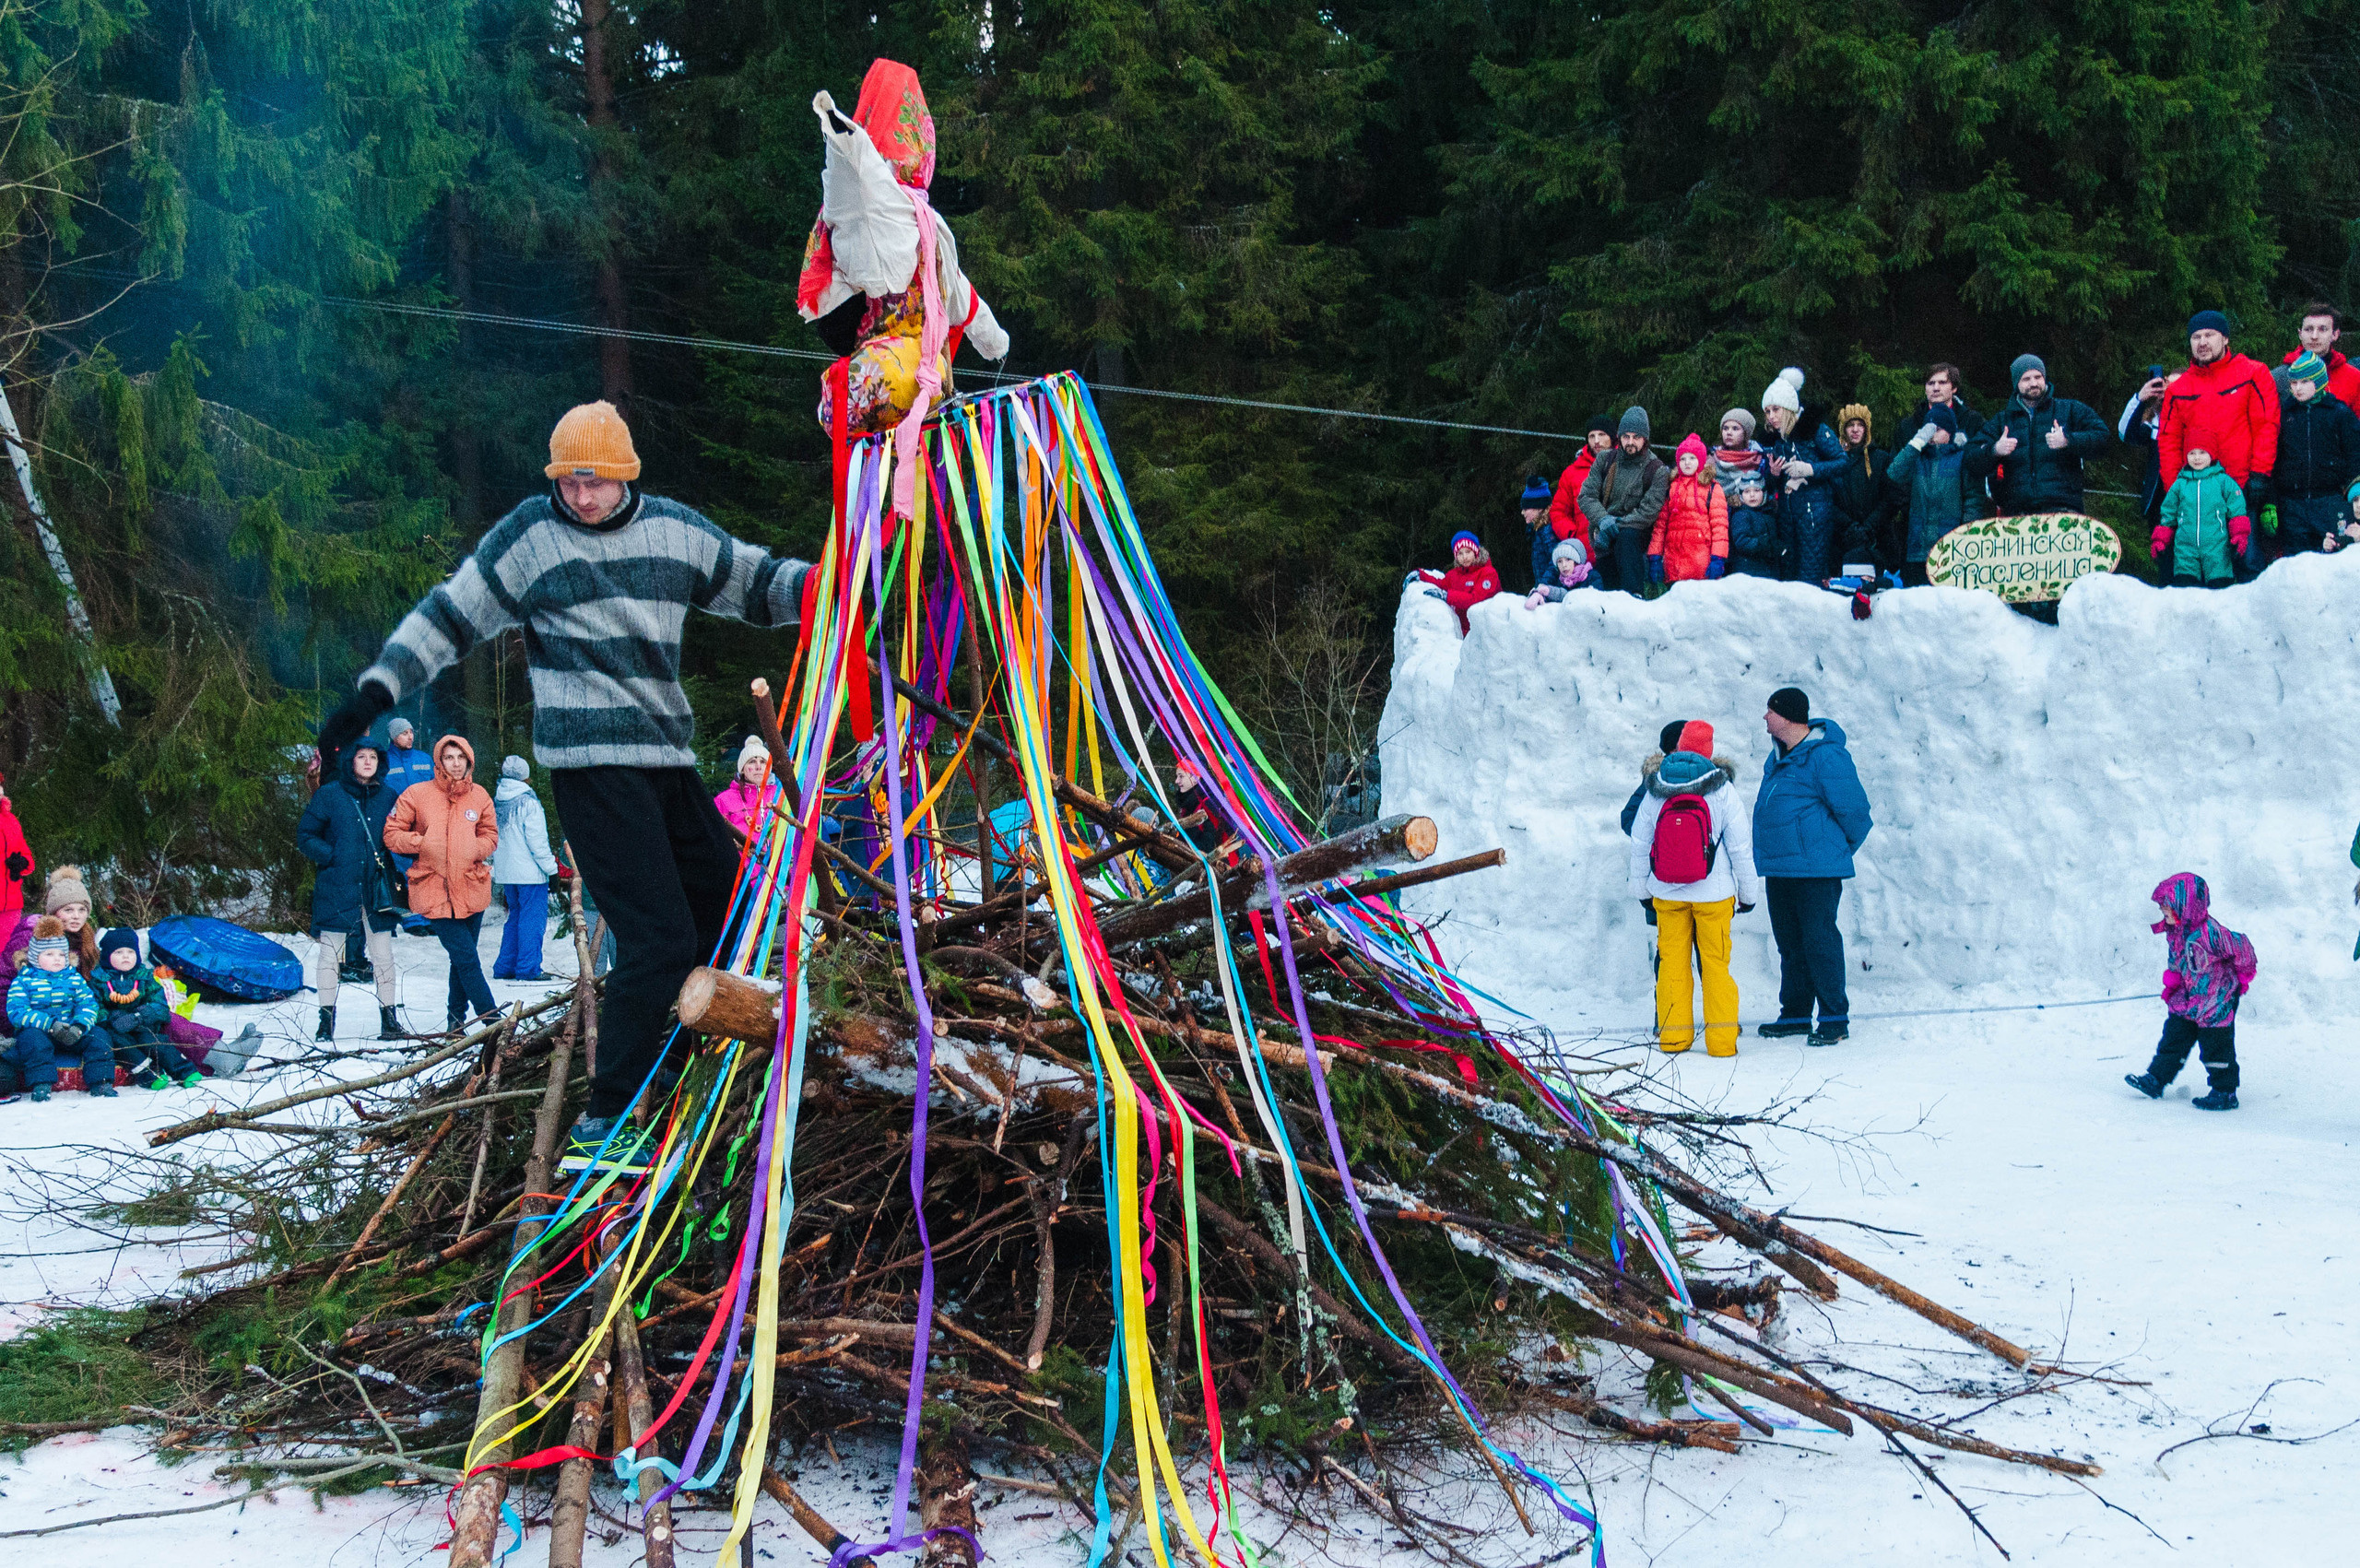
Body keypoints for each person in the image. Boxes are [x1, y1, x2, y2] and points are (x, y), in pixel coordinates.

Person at [314, 401, 814, 1166]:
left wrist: (833, 590)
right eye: (570, 481)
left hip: (667, 765)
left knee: (731, 908)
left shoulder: (675, 531)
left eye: (598, 482)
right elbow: (451, 615)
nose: (582, 496)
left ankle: (685, 1072)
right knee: (658, 938)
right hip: (592, 768)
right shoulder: (530, 538)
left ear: (626, 476)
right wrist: (376, 692)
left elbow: (754, 581)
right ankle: (606, 1119)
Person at [1627, 721, 1760, 1057]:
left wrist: (1642, 888)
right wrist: (1748, 895)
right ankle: (1721, 1043)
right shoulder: (1722, 789)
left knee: (1672, 963)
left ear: (1680, 746)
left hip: (1668, 893)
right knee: (1716, 966)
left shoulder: (1658, 785)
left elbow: (1641, 842)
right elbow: (1741, 848)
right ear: (1708, 751)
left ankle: (1673, 1038)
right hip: (1713, 896)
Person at [1751, 688, 1871, 1046]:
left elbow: (1856, 813)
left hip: (1816, 871)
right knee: (1790, 944)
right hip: (1781, 870)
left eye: (1770, 710)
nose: (1765, 717)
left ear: (1787, 715)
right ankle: (1797, 1015)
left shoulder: (1826, 756)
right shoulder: (1778, 758)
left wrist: (1831, 851)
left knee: (1820, 943)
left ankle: (1834, 1019)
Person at [384, 735, 500, 1032]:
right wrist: (421, 842)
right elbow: (392, 833)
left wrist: (475, 848)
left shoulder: (480, 796)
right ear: (439, 761)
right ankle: (493, 1021)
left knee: (462, 960)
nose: (456, 763)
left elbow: (490, 835)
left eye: (461, 758)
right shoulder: (417, 794)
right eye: (449, 757)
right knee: (467, 958)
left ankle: (455, 1022)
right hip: (434, 891)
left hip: (472, 889)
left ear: (469, 761)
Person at [297, 738, 405, 1042]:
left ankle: (389, 1020)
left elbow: (401, 836)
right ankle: (325, 1020)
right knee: (330, 954)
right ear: (350, 761)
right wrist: (330, 856)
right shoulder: (330, 794)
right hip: (337, 885)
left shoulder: (389, 796)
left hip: (376, 889)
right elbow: (306, 834)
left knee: (383, 955)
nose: (368, 762)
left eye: (373, 756)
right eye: (361, 756)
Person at [2123, 873, 2254, 1111]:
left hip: (2216, 1001)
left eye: (2168, 912)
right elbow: (2177, 961)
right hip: (2188, 999)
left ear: (2187, 907)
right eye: (2163, 913)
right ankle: (2156, 1079)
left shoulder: (2212, 934)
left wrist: (2243, 976)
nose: (2165, 917)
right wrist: (2172, 984)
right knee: (2173, 1039)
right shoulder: (2175, 933)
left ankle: (2224, 1092)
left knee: (2216, 1049)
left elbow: (2242, 948)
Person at [2158, 311, 2280, 541]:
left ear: (2225, 339)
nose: (2202, 342)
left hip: (2242, 487)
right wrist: (2174, 489)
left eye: (2209, 335)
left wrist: (2260, 475)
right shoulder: (2178, 389)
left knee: (2247, 561)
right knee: (2201, 565)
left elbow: (2266, 425)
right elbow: (2169, 442)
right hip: (2196, 493)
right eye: (2196, 337)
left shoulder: (2253, 373)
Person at [1964, 354, 2110, 515]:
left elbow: (2103, 438)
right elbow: (1971, 458)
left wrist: (2069, 440)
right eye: (2026, 379)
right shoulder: (2001, 421)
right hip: (2016, 512)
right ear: (2016, 383)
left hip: (2063, 508)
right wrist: (1994, 450)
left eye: (2038, 377)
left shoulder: (2070, 409)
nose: (2033, 383)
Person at [2268, 352, 2360, 555]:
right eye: (2293, 383)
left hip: (2329, 499)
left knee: (2332, 556)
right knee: (2296, 560)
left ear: (2319, 381)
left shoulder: (2339, 413)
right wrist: (2271, 500)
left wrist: (2355, 490)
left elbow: (2355, 453)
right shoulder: (2285, 412)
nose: (2298, 388)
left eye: (2305, 381)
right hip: (2292, 502)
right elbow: (2274, 457)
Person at [1759, 369, 1846, 583]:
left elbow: (1842, 462)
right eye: (1767, 411)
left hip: (1815, 513)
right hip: (1787, 515)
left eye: (1776, 409)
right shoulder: (1777, 439)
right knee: (1788, 574)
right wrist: (1774, 474)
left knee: (1811, 575)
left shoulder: (1815, 430)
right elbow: (1773, 484)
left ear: (1788, 408)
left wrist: (1811, 469)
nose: (1771, 417)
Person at [5, 916, 103, 1102]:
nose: (57, 959)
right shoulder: (24, 980)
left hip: (70, 1029)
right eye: (49, 955)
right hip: (41, 1030)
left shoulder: (74, 979)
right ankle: (41, 1083)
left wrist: (79, 1026)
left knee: (99, 1037)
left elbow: (87, 1004)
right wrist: (50, 1025)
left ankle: (101, 1081)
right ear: (35, 957)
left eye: (61, 955)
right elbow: (17, 1011)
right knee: (34, 1042)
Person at [90, 929, 201, 1089]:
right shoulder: (98, 981)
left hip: (142, 1024)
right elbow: (94, 1006)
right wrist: (111, 1017)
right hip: (115, 1028)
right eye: (119, 952)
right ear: (107, 956)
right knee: (123, 1046)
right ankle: (149, 1075)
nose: (126, 956)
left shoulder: (145, 978)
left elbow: (161, 1005)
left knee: (154, 1042)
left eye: (130, 951)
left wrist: (140, 1016)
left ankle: (183, 1071)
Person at [1577, 407, 1670, 593]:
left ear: (1645, 439)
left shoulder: (1656, 469)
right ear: (1619, 437)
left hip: (1636, 533)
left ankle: (1633, 595)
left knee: (1626, 538)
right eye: (1626, 436)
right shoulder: (1605, 459)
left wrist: (1616, 525)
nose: (1630, 442)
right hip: (1603, 531)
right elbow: (1586, 495)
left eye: (1636, 437)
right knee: (1608, 585)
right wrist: (1603, 520)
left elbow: (1647, 512)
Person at [1887, 404, 1984, 583]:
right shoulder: (1917, 458)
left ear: (1949, 431)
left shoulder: (1962, 457)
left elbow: (1973, 500)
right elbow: (1894, 473)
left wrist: (1965, 537)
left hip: (1951, 547)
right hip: (1918, 547)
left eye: (1937, 429)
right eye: (1928, 429)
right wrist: (1917, 441)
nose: (1932, 434)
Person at [491, 755, 560, 983]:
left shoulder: (497, 800)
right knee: (532, 920)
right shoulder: (528, 802)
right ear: (525, 776)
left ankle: (505, 966)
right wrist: (552, 870)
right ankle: (529, 968)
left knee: (515, 917)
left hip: (507, 874)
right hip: (530, 874)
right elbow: (537, 842)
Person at [2153, 446, 2247, 587]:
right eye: (2192, 453)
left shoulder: (2223, 481)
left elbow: (2237, 509)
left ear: (2211, 455)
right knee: (2185, 587)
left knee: (2219, 587)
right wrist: (2160, 540)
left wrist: (2239, 535)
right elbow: (2168, 514)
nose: (2197, 458)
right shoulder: (2180, 484)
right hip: (2186, 548)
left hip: (2217, 547)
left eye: (2202, 453)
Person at [381, 719, 439, 937]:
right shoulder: (383, 763)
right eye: (404, 733)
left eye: (411, 732)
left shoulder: (424, 759)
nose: (410, 736)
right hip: (398, 826)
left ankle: (428, 916)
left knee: (426, 871)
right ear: (393, 737)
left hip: (425, 825)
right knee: (404, 872)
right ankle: (411, 919)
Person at [1649, 435, 1729, 586]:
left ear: (1701, 460)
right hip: (1674, 562)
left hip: (1702, 562)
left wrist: (1718, 557)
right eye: (1683, 459)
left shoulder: (1712, 488)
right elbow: (1660, 526)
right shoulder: (1671, 488)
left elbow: (1720, 527)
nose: (1687, 463)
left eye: (1692, 458)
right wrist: (1655, 556)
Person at [1829, 404, 1894, 571]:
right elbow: (1829, 499)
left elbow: (1889, 498)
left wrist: (1869, 526)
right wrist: (1850, 526)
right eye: (1851, 425)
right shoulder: (1834, 461)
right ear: (1844, 429)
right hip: (1843, 538)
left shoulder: (1881, 459)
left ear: (1867, 428)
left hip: (1877, 537)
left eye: (1860, 425)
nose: (1855, 430)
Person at [2118, 367, 2181, 528]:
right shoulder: (2155, 423)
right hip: (2158, 507)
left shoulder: (2197, 421)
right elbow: (2126, 434)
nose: (2170, 391)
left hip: (2189, 505)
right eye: (2168, 385)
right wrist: (2140, 398)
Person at [2273, 302, 2360, 416]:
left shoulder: (2353, 378)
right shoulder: (2279, 378)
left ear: (2335, 334)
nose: (2314, 336)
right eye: (2309, 329)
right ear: (2300, 334)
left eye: (2322, 329)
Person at [1548, 418, 1615, 559]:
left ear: (1612, 437)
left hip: (1620, 548)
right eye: (1592, 436)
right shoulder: (1572, 473)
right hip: (1586, 553)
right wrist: (1572, 535)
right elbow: (1558, 512)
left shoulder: (1627, 465)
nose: (1596, 441)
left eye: (1601, 435)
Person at [1412, 532, 1504, 634]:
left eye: (1468, 552)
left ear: (1476, 552)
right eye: (1460, 553)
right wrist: (1420, 575)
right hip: (1465, 634)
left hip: (1488, 633)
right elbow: (1441, 584)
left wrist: (1448, 596)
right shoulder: (1454, 575)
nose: (1464, 557)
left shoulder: (1488, 573)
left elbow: (1476, 600)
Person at [714, 736, 774, 841]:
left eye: (763, 762)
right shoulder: (723, 800)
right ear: (742, 769)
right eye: (752, 761)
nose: (758, 767)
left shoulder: (782, 796)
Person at [1727, 474, 1783, 578]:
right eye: (1747, 492)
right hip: (1748, 571)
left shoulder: (1769, 513)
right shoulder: (1740, 515)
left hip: (1769, 570)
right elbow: (1742, 542)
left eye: (1757, 490)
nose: (1752, 495)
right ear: (1740, 495)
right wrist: (1765, 543)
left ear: (1764, 492)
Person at [1709, 409, 1768, 506]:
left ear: (1746, 433)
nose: (1729, 432)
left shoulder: (1759, 459)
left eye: (1735, 429)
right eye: (1725, 428)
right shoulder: (1712, 459)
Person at [1523, 537, 1602, 606]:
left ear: (1576, 561)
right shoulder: (1559, 581)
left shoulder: (1592, 577)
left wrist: (1559, 594)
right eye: (1560, 561)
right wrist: (1538, 594)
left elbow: (1595, 601)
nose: (1564, 565)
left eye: (1568, 559)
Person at [0, 772, 30, 918]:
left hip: (10, 904)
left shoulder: (11, 820)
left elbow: (26, 856)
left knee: (9, 942)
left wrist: (22, 862)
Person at [1519, 475, 1558, 590]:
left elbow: (1555, 561)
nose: (1522, 512)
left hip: (1550, 589)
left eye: (1526, 509)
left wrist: (1543, 586)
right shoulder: (1537, 530)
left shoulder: (1547, 531)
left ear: (1539, 508)